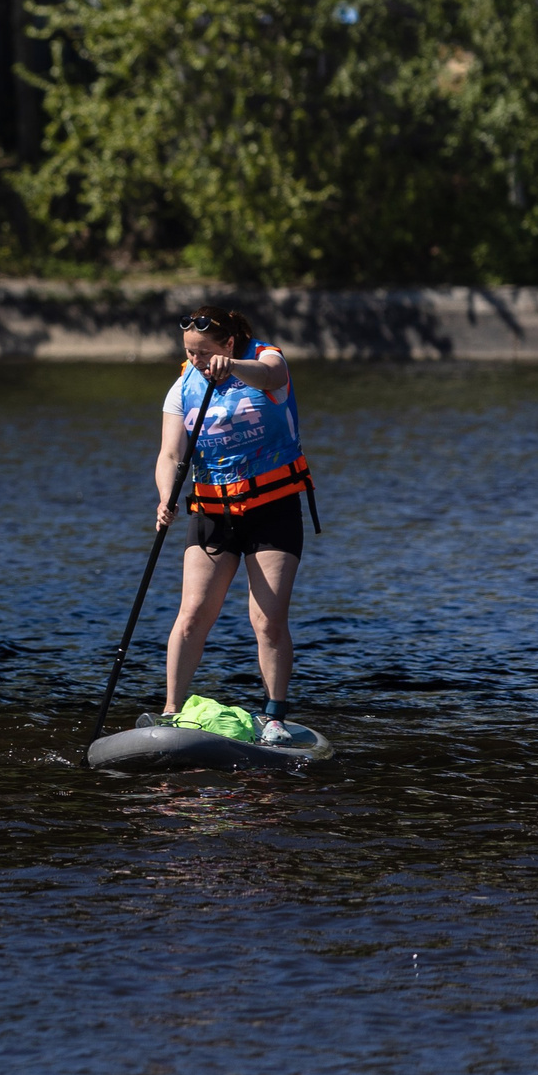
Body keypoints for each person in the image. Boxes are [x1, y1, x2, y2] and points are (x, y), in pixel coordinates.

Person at [153, 304, 317, 747]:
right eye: (189, 353)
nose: (196, 362)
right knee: (191, 616)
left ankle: (275, 718)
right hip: (211, 513)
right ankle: (170, 712)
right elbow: (171, 455)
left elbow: (271, 378)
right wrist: (166, 496)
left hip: (272, 508)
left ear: (228, 344)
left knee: (266, 620)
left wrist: (235, 368)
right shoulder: (183, 387)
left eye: (204, 353)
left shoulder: (266, 359)